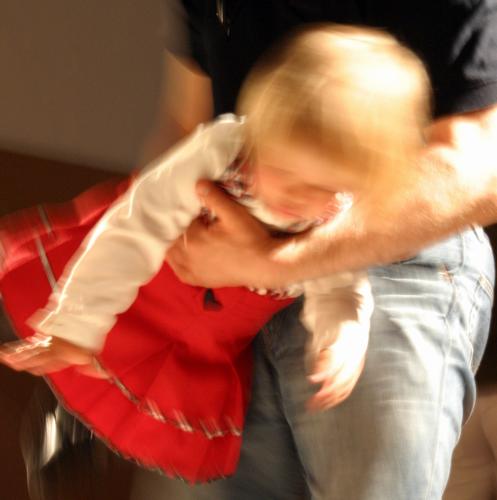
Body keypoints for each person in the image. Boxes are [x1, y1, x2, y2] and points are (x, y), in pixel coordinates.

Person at [0, 24, 431, 483]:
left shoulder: (340, 213)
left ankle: (83, 422)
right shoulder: (223, 153)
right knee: (81, 343)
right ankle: (66, 393)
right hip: (145, 286)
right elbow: (134, 228)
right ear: (259, 134)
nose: (295, 195)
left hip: (211, 332)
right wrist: (78, 323)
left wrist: (341, 334)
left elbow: (341, 283)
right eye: (281, 168)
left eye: (321, 187)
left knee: (161, 393)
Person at [129, 1, 496, 499]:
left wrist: (277, 262)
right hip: (226, 279)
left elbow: (480, 162)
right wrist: (138, 291)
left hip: (394, 250)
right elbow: (182, 124)